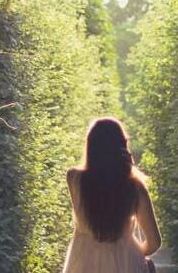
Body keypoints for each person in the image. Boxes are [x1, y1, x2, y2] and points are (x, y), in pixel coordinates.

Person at [62, 117, 162, 273]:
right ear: (122, 146)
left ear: (91, 146)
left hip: (83, 261)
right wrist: (133, 252)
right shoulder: (135, 188)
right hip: (126, 263)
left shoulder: (74, 178)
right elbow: (154, 242)